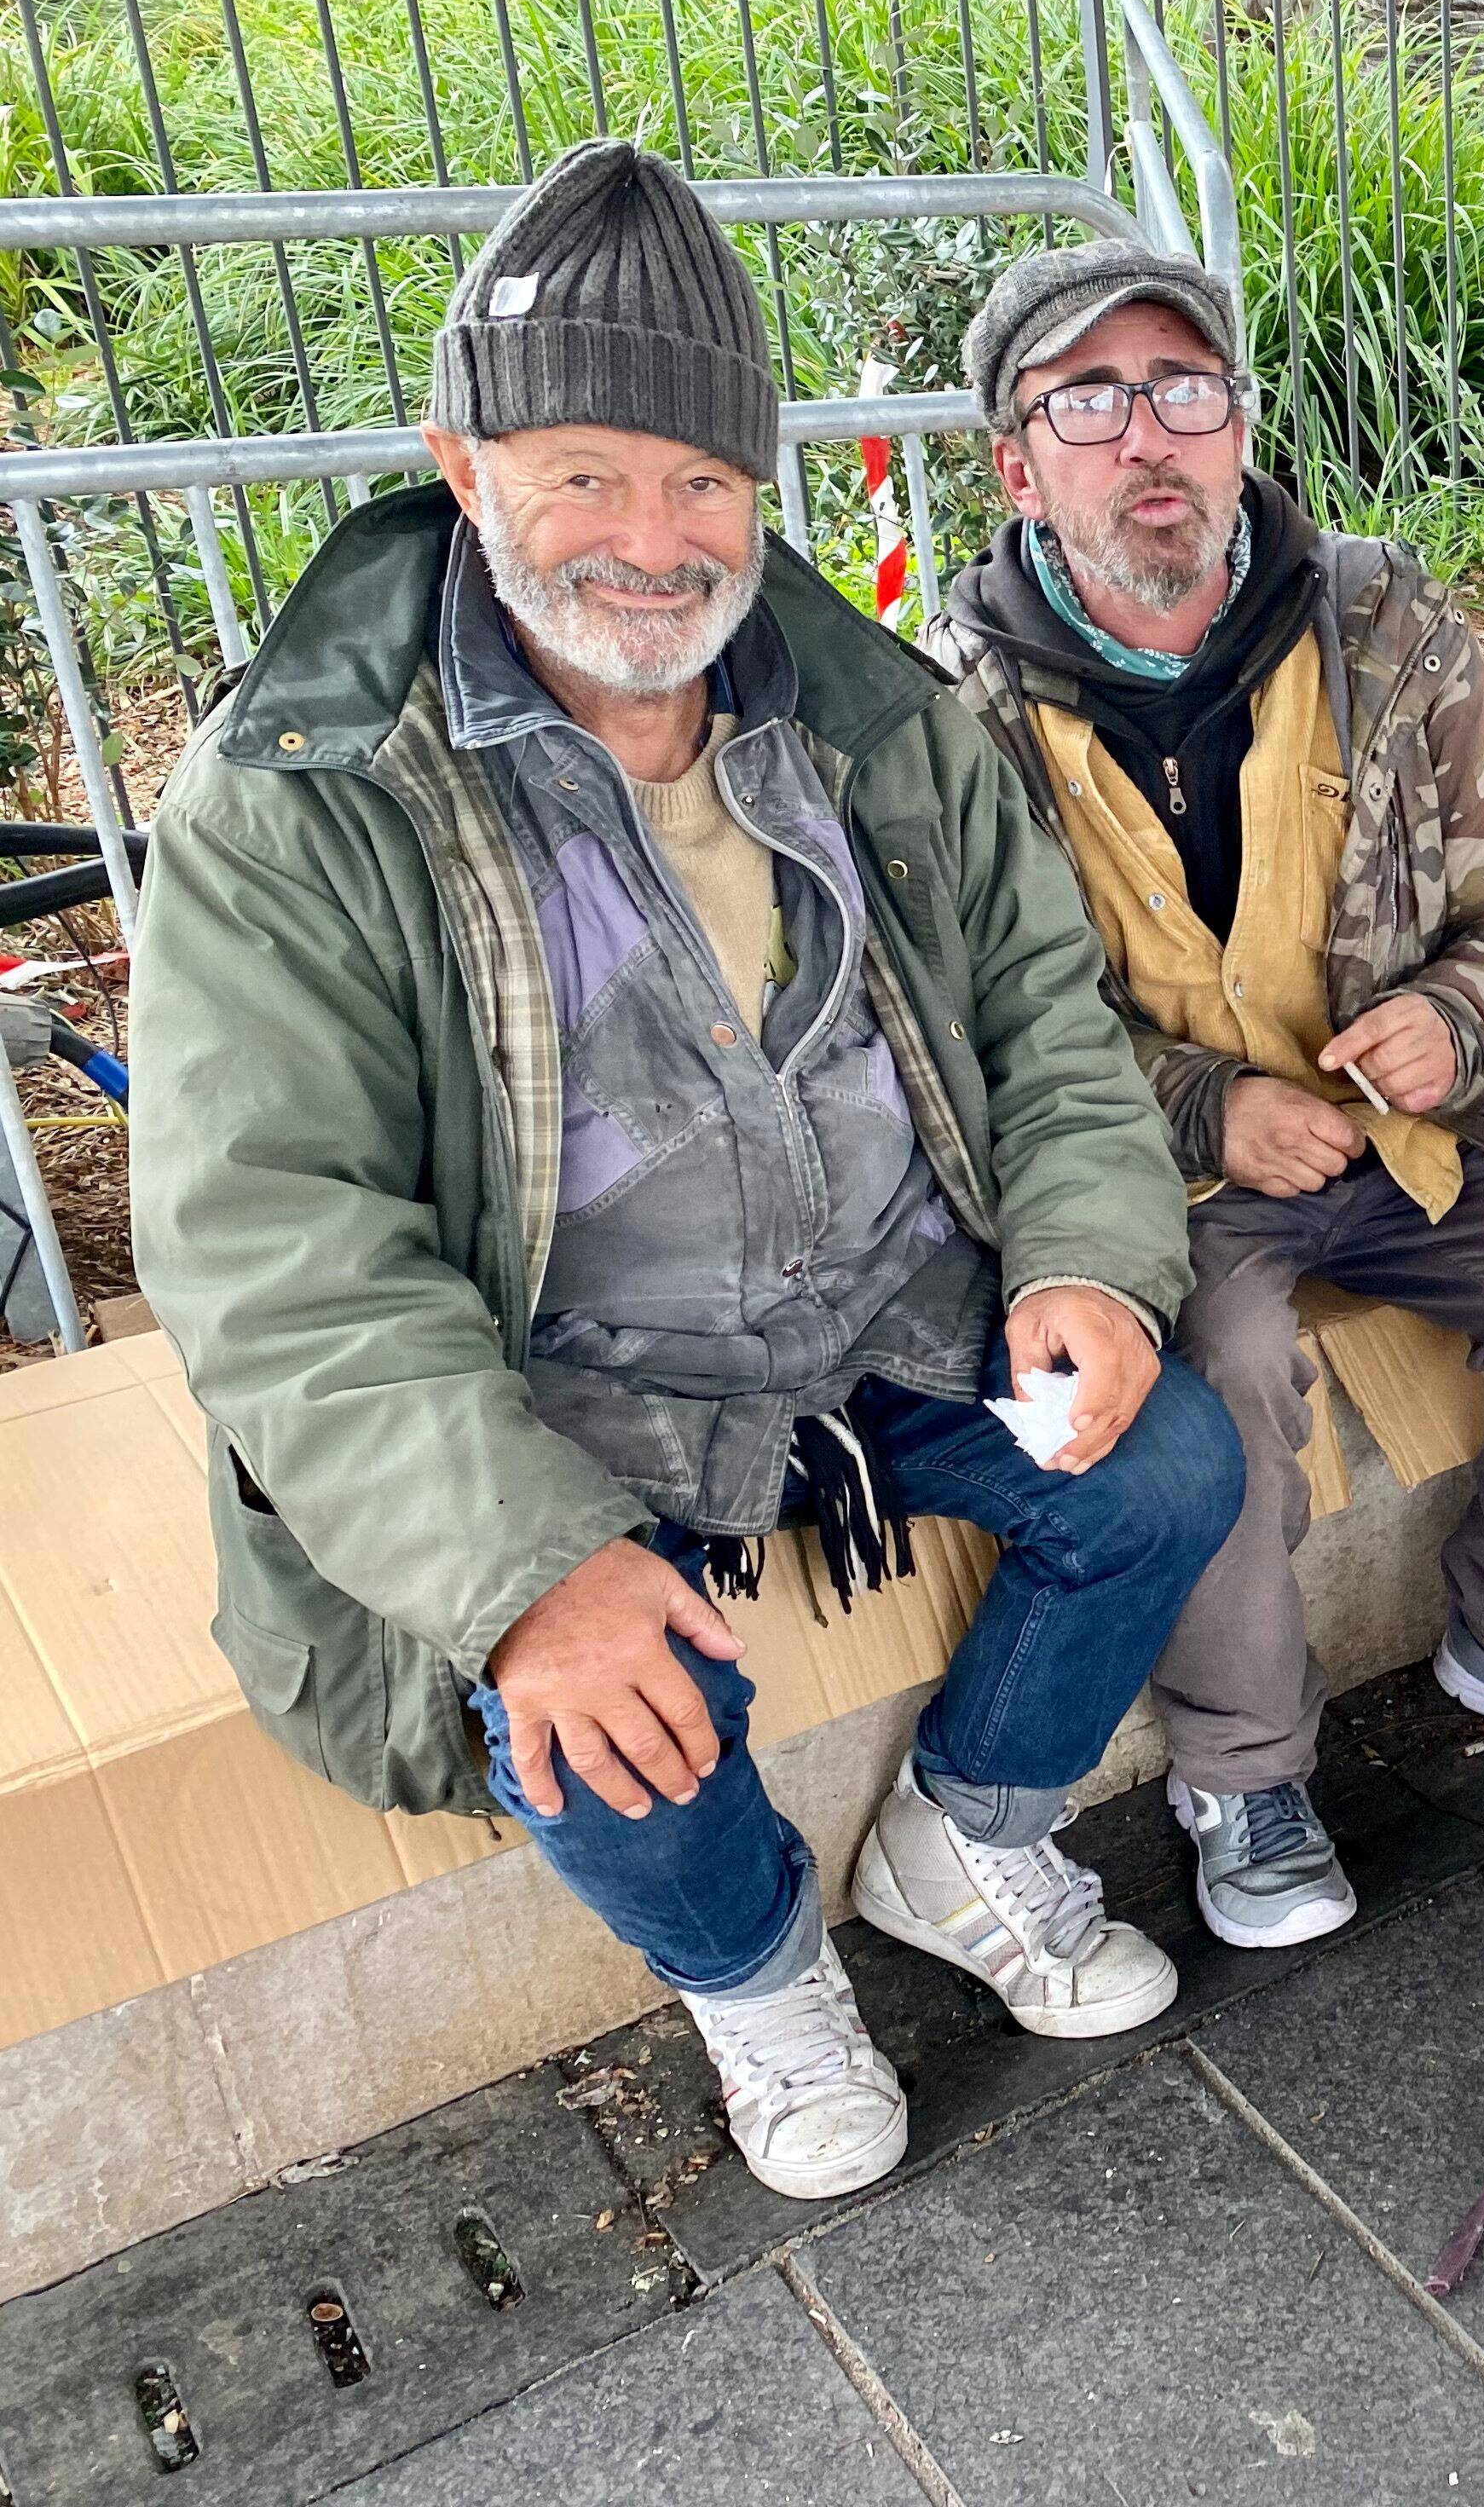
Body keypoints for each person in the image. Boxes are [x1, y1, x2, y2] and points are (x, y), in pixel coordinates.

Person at [127, 142, 1247, 2204]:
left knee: (1170, 1466)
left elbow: (1045, 1024)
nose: (654, 543)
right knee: (587, 1702)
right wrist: (528, 1566)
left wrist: (1088, 1258)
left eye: (706, 485)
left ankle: (964, 1836)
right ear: (465, 469)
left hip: (880, 1302)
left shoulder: (872, 716)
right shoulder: (301, 799)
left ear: (761, 494)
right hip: (565, 1377)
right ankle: (752, 1964)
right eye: (585, 474)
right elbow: (276, 1246)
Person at [938, 242, 1484, 1954]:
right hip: (1145, 1172)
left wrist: (1456, 1019)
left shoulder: (1388, 631)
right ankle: (1247, 1768)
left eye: (1183, 390)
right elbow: (959, 1034)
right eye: (1089, 401)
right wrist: (1203, 1113)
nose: (1148, 442)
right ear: (1017, 460)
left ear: (1240, 420)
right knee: (1219, 1373)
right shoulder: (953, 713)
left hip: (1420, 1131)